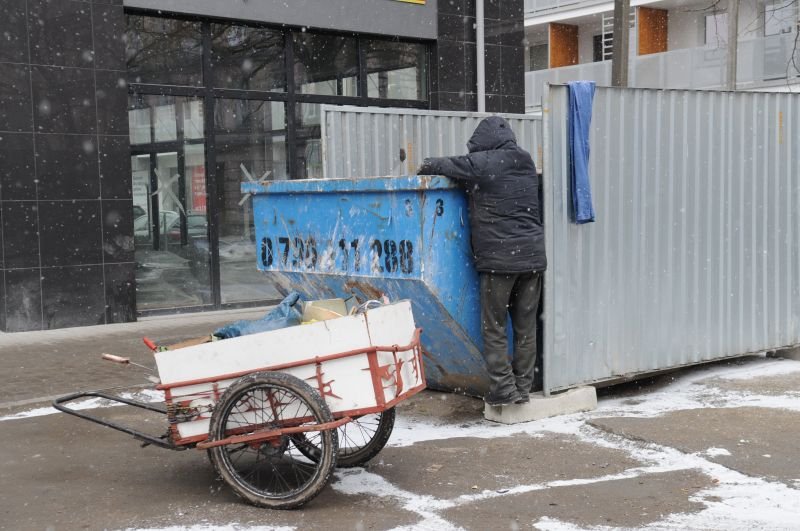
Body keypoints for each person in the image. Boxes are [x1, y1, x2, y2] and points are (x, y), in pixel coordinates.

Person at [417, 116, 546, 406]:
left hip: (500, 260)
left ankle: (503, 388)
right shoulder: (524, 161)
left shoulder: (485, 163)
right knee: (525, 328)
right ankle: (522, 388)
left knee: (494, 326)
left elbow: (439, 165)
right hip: (533, 259)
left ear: (484, 144)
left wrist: (424, 165)